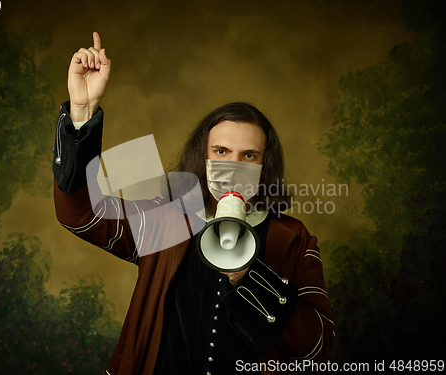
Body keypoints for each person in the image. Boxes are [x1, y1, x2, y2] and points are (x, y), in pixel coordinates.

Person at [53, 32, 335, 375]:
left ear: (265, 166)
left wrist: (251, 275)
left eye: (248, 155)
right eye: (221, 152)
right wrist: (82, 110)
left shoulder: (293, 238)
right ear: (202, 158)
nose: (233, 165)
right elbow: (81, 214)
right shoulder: (165, 220)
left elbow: (318, 347)